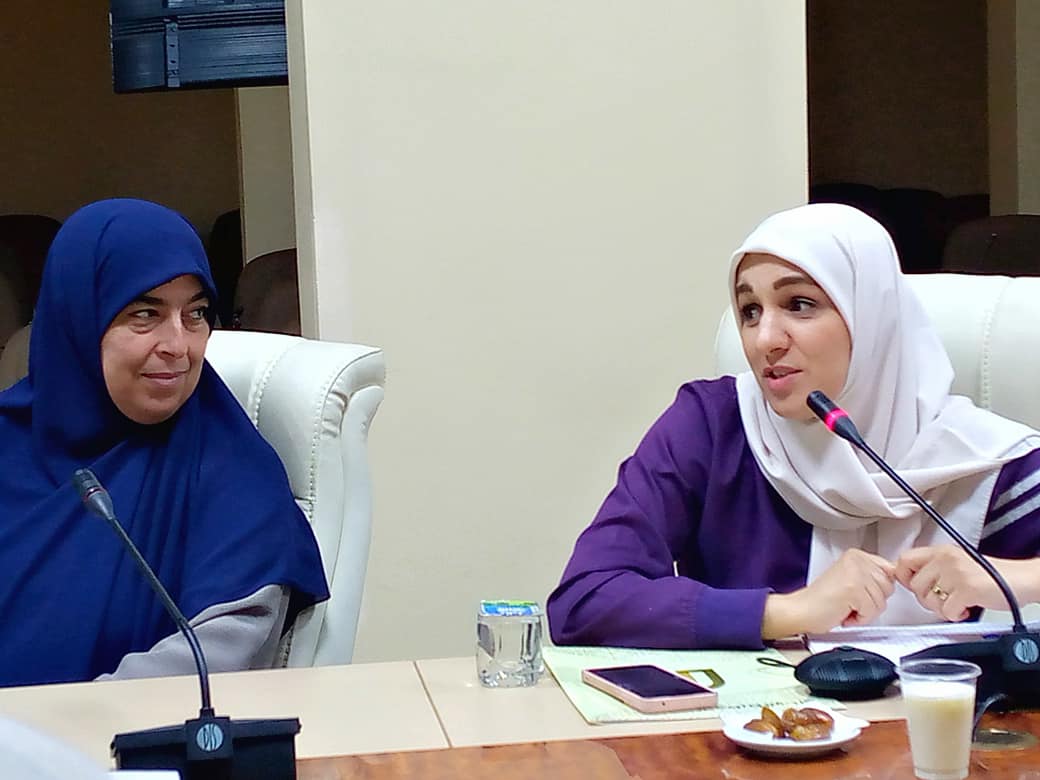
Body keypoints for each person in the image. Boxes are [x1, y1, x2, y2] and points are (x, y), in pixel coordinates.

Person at [548, 203, 1040, 650]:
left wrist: (1005, 579)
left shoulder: (980, 457)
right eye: (750, 311)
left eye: (799, 305)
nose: (765, 340)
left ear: (871, 317)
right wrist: (789, 611)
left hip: (945, 718)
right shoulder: (714, 427)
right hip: (754, 718)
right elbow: (584, 600)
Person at [0, 199, 330, 686]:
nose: (178, 345)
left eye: (196, 313)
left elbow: (215, 656)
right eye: (144, 314)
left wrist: (51, 725)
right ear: (77, 319)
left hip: (110, 733)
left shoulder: (231, 470)